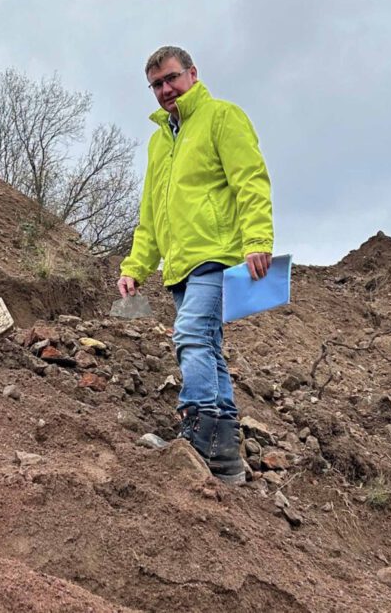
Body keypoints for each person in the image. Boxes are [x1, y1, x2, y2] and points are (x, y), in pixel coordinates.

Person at [117, 46, 273, 484]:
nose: (166, 89)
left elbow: (251, 180)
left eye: (171, 78)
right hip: (181, 265)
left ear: (192, 74)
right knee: (207, 346)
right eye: (157, 85)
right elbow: (151, 215)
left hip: (217, 256)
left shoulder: (222, 117)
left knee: (189, 335)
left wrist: (257, 239)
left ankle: (199, 436)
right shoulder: (158, 142)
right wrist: (136, 266)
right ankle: (223, 456)